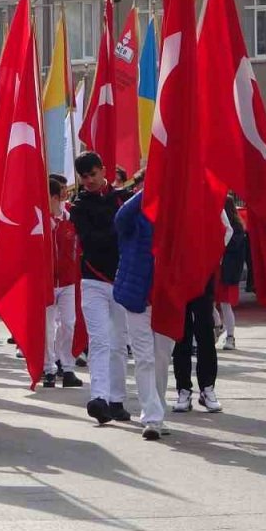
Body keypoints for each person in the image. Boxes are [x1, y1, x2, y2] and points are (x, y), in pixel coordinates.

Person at [71, 151, 135, 424]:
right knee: (99, 340)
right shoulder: (78, 206)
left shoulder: (123, 198)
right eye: (84, 177)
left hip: (120, 280)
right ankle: (98, 397)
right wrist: (117, 229)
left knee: (119, 343)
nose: (89, 181)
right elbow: (91, 239)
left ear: (103, 170)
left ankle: (116, 399)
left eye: (92, 174)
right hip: (92, 279)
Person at [113, 190, 173, 439]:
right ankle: (152, 417)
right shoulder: (135, 219)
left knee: (161, 358)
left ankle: (157, 408)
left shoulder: (177, 218)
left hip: (167, 302)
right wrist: (150, 187)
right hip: (137, 297)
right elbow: (120, 218)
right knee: (144, 358)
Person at [41, 177, 84, 388]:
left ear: (57, 198)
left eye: (47, 197)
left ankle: (67, 368)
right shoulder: (39, 221)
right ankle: (48, 368)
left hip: (68, 281)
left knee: (69, 323)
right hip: (46, 282)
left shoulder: (72, 217)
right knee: (48, 327)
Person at [218, 198, 247, 351]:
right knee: (212, 304)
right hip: (218, 271)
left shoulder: (236, 230)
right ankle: (219, 326)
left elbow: (233, 251)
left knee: (225, 305)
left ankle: (230, 336)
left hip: (227, 273)